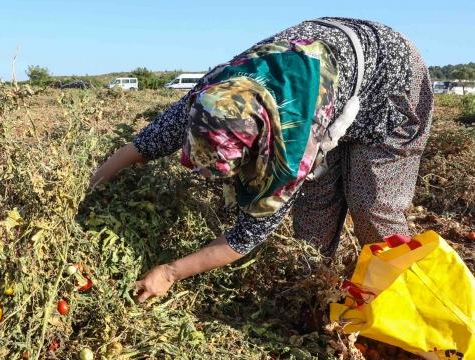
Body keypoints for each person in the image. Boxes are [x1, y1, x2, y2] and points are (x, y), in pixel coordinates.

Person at [89, 17, 433, 303]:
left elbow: (246, 236)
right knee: (314, 207)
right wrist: (87, 188)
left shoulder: (292, 147)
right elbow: (145, 144)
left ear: (262, 146)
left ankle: (403, 305)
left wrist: (169, 272)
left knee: (371, 204)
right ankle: (319, 294)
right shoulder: (210, 99)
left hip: (391, 78)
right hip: (331, 78)